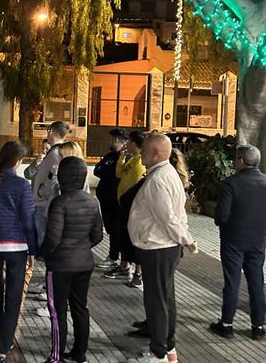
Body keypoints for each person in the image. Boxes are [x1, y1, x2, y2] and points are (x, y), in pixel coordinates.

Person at [127, 133, 197, 363]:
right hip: (163, 246)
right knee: (165, 299)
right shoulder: (167, 173)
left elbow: (168, 218)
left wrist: (186, 239)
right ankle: (168, 350)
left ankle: (159, 353)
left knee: (157, 301)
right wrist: (184, 237)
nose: (140, 153)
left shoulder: (158, 179)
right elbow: (179, 214)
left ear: (156, 153)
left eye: (144, 149)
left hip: (158, 247)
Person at [209, 145, 266, 341]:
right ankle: (258, 326)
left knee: (232, 282)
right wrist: (260, 224)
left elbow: (222, 215)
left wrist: (225, 224)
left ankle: (227, 324)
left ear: (241, 160)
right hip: (257, 239)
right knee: (256, 282)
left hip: (233, 238)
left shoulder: (231, 183)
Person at [0, 141, 38, 363]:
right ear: (19, 162)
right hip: (18, 248)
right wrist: (33, 249)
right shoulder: (22, 186)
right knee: (13, 297)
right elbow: (29, 221)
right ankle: (4, 345)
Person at [41, 157, 103, 363]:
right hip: (85, 263)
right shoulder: (92, 201)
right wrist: (82, 247)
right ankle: (80, 353)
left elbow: (52, 238)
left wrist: (43, 253)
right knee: (80, 308)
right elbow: (98, 236)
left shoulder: (60, 202)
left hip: (59, 266)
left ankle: (56, 356)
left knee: (58, 311)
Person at [106, 131, 146, 282]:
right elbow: (119, 173)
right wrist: (122, 157)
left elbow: (136, 184)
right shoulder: (133, 159)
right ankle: (125, 265)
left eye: (129, 142)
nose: (126, 144)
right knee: (123, 236)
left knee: (134, 238)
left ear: (135, 144)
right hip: (123, 205)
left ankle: (138, 271)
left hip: (133, 207)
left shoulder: (141, 161)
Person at [94, 128, 128, 270]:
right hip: (106, 200)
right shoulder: (109, 156)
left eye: (114, 139)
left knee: (116, 230)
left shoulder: (124, 158)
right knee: (110, 228)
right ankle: (115, 256)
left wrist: (107, 172)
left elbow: (116, 174)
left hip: (116, 201)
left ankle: (115, 257)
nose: (112, 142)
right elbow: (97, 170)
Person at [32, 121, 69, 244]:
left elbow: (53, 179)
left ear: (51, 131)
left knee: (43, 240)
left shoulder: (55, 154)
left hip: (44, 203)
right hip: (46, 201)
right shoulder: (60, 152)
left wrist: (41, 192)